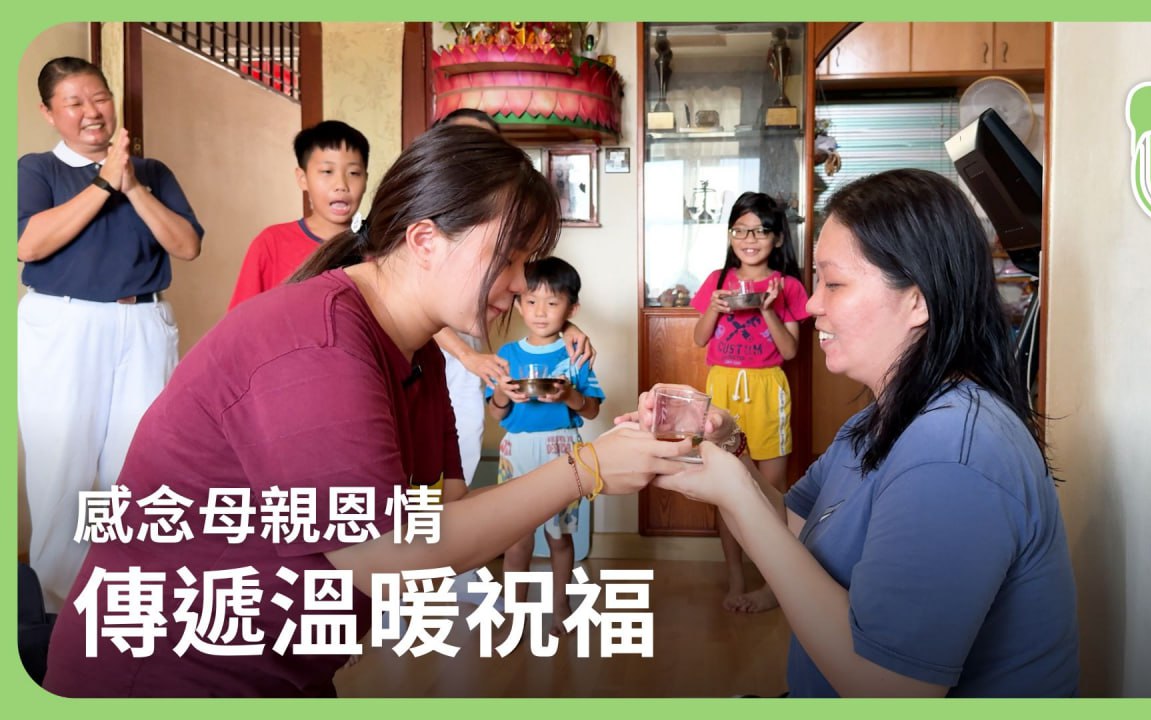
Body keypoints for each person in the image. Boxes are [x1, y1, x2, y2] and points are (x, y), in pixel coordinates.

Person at [41, 125, 691, 697]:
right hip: (164, 677)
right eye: (512, 257)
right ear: (425, 239)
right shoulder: (320, 342)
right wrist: (586, 470)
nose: (523, 284)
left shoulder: (418, 351)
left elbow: (443, 515)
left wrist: (600, 461)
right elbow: (385, 560)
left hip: (279, 673)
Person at [645, 168, 1079, 697]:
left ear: (918, 300)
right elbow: (793, 524)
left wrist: (734, 491)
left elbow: (889, 690)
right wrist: (730, 449)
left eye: (834, 283)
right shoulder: (879, 419)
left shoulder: (953, 456)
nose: (812, 305)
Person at [17, 56, 204, 612]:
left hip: (143, 322)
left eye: (99, 97)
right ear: (49, 113)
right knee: (62, 468)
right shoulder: (37, 170)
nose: (92, 111)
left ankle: (130, 600)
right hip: (64, 325)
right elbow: (29, 244)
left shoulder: (153, 172)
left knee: (141, 464)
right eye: (74, 103)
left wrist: (133, 185)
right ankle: (57, 613)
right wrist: (104, 182)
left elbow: (187, 245)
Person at [433, 107, 595, 487]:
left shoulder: (499, 218)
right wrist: (467, 356)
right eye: (465, 147)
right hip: (441, 362)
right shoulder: (429, 216)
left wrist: (564, 327)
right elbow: (418, 305)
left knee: (459, 464)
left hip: (467, 367)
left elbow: (532, 288)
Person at [691, 191, 809, 612]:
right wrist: (714, 309)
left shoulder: (787, 286)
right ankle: (736, 577)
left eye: (760, 231)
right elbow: (700, 339)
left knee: (770, 490)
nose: (749, 239)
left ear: (778, 238)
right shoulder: (717, 281)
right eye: (740, 230)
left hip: (766, 389)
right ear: (730, 236)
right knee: (728, 486)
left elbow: (790, 351)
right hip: (722, 388)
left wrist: (768, 310)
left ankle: (775, 582)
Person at [485, 257, 604, 636]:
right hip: (517, 452)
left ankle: (561, 605)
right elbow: (496, 413)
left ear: (572, 309)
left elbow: (592, 409)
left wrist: (569, 396)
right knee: (516, 542)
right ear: (519, 304)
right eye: (531, 301)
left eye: (552, 303)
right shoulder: (507, 355)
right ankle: (514, 613)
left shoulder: (576, 354)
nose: (540, 312)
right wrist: (503, 395)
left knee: (559, 537)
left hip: (563, 452)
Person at [226, 120, 370, 310]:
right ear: (303, 179)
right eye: (327, 171)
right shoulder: (271, 243)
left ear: (366, 180)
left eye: (354, 173)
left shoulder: (379, 245)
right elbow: (242, 319)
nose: (341, 185)